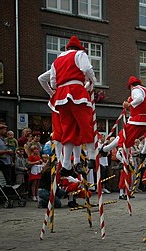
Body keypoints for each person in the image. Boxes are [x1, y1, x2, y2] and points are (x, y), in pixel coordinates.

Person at [49, 35, 97, 177]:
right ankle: (92, 157)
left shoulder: (56, 60)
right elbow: (87, 68)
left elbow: (53, 82)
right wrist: (92, 81)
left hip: (61, 96)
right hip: (76, 92)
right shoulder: (80, 54)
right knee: (86, 124)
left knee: (68, 129)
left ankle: (66, 164)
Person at [100, 76, 146, 197]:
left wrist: (129, 104)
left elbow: (138, 99)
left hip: (138, 120)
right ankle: (123, 192)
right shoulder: (145, 91)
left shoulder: (136, 89)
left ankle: (106, 150)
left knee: (122, 136)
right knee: (128, 140)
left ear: (130, 86)